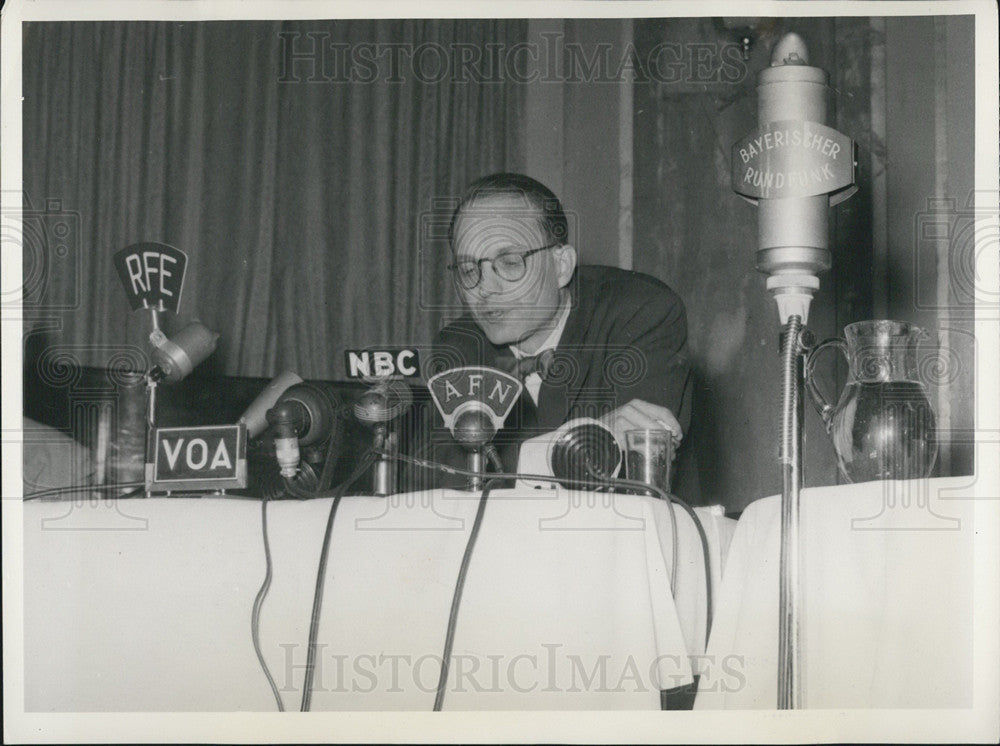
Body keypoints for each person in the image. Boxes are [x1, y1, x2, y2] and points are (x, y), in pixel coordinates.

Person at [414, 172, 694, 493]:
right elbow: (449, 478)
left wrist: (532, 460)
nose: (485, 288)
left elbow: (638, 473)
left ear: (561, 266)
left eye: (510, 263)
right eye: (467, 270)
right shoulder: (460, 346)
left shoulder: (640, 311)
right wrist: (580, 441)